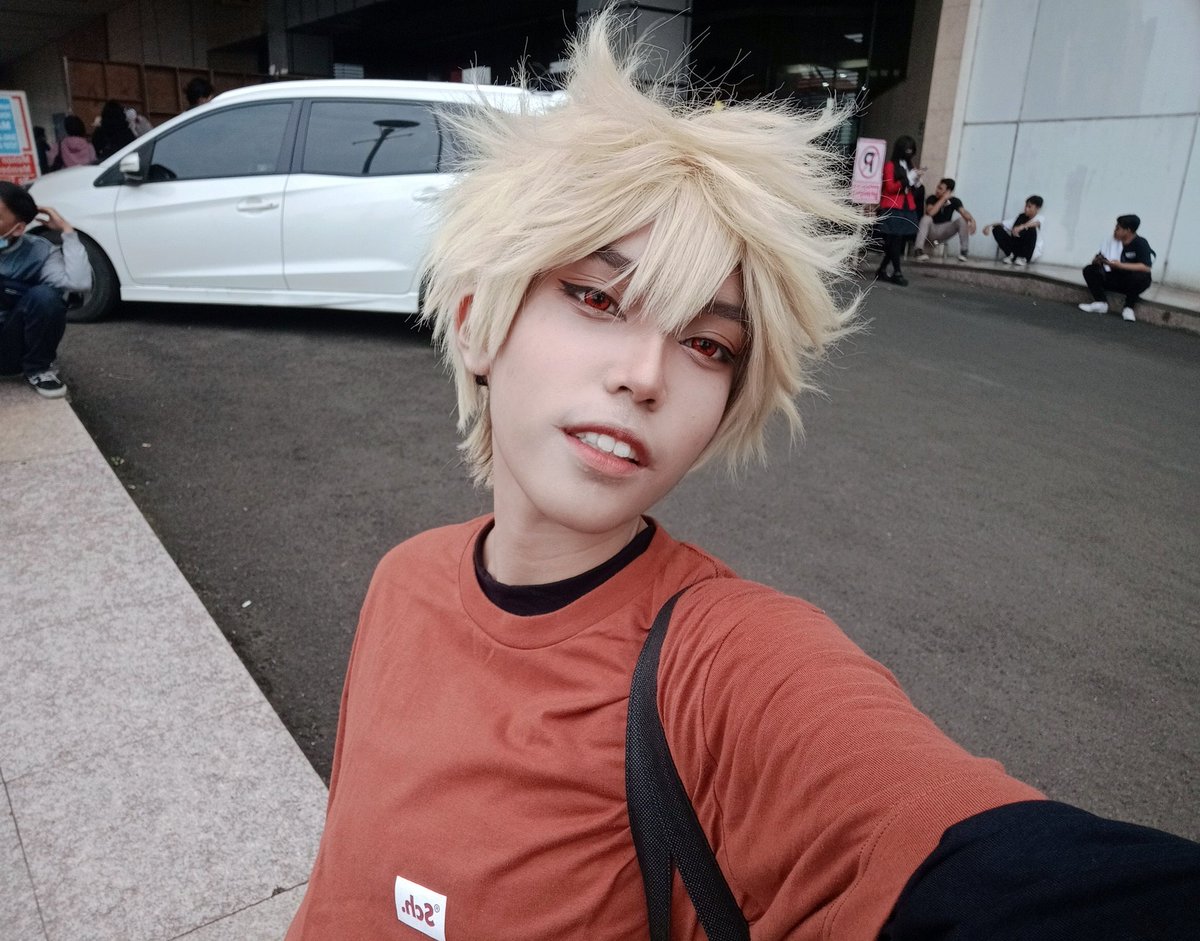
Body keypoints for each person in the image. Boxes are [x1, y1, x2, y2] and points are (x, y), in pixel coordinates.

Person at [285, 13, 1199, 941]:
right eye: (597, 296)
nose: (646, 375)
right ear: (477, 323)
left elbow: (985, 863)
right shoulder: (402, 582)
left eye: (707, 344)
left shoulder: (721, 663)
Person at [0, 181, 92, 398]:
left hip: (10, 346)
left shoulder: (39, 252)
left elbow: (78, 283)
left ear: (18, 228)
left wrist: (67, 231)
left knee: (46, 297)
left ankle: (39, 370)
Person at [1078, 214, 1154, 322]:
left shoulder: (1140, 243)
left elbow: (1146, 267)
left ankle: (1128, 308)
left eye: (1118, 228)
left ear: (1128, 230)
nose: (1115, 231)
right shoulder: (1112, 241)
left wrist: (1120, 265)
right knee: (1089, 270)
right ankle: (1100, 302)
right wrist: (1097, 261)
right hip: (1114, 277)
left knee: (1141, 276)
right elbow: (1102, 256)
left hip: (1130, 280)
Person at [874, 135, 923, 286]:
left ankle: (882, 270)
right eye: (907, 150)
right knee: (894, 240)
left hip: (907, 206)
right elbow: (890, 187)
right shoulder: (890, 166)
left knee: (897, 240)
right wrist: (908, 179)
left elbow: (914, 187)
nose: (910, 153)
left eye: (911, 150)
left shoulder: (910, 165)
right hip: (893, 206)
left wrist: (916, 181)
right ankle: (897, 272)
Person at [912, 178, 976, 262]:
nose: (937, 190)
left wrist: (972, 220)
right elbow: (931, 212)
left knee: (962, 220)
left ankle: (964, 252)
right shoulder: (932, 198)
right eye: (937, 187)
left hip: (945, 231)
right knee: (926, 218)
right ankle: (918, 250)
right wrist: (943, 199)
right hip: (931, 230)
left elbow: (963, 212)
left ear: (948, 191)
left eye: (940, 188)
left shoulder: (955, 201)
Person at [982, 195, 1043, 266]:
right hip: (1016, 248)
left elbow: (1035, 223)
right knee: (997, 229)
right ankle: (1012, 255)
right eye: (1026, 206)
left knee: (1030, 228)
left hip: (1029, 252)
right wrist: (989, 226)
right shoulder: (1021, 217)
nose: (1026, 209)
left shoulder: (1040, 218)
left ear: (1037, 208)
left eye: (1029, 207)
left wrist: (1021, 227)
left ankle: (1023, 258)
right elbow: (1004, 223)